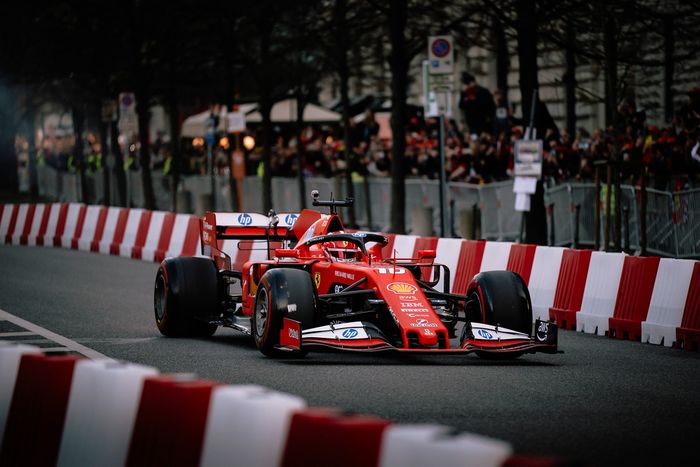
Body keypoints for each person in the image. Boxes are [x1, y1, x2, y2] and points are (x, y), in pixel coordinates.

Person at [458, 72, 495, 138]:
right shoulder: (465, 93)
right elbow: (461, 106)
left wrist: (489, 118)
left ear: (473, 82)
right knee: (474, 140)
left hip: (484, 123)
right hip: (472, 124)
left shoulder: (483, 92)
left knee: (484, 141)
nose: (468, 86)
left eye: (469, 83)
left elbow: (491, 106)